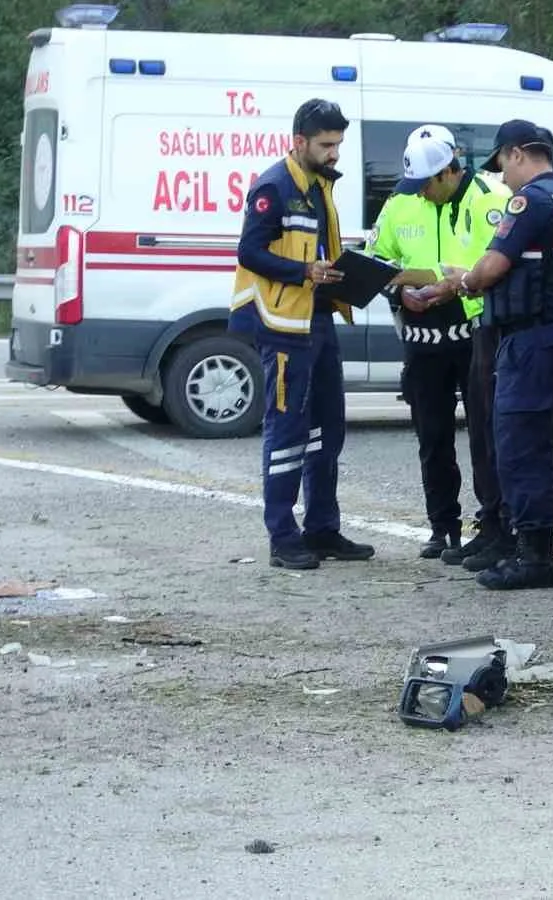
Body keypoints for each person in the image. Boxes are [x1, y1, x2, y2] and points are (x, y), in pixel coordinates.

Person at [229, 99, 377, 570]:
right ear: (299, 142)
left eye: (338, 144)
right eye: (327, 144)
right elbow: (249, 252)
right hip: (282, 325)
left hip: (317, 318)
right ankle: (283, 536)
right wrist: (303, 271)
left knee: (326, 428)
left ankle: (322, 528)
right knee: (287, 430)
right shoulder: (274, 186)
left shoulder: (319, 185)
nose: (335, 153)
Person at [445, 120, 553, 591]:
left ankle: (535, 558)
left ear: (518, 153)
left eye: (502, 165)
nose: (502, 178)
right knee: (537, 448)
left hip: (527, 341)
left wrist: (462, 279)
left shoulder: (530, 202)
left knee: (519, 450)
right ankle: (537, 551)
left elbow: (492, 267)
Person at [368, 125, 513, 561]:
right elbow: (378, 257)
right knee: (432, 437)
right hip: (421, 337)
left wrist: (453, 285)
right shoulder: (400, 203)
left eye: (426, 186)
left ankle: (493, 525)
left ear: (449, 172)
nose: (420, 195)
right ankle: (442, 526)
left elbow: (496, 263)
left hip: (473, 334)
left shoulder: (488, 198)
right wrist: (397, 292)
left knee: (485, 437)